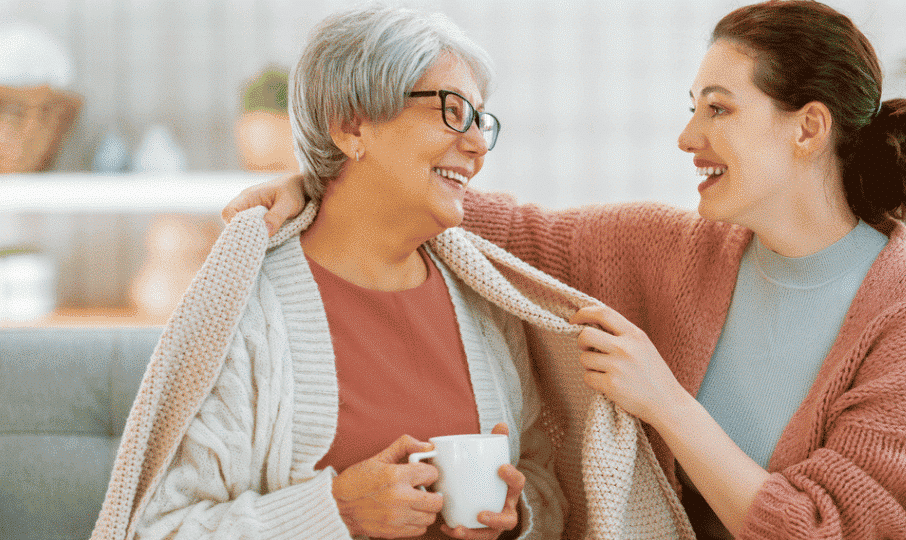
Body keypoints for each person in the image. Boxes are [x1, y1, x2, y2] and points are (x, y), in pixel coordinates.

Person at [224, 1, 906, 538]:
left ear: (808, 128)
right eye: (693, 108)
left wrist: (667, 404)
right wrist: (319, 183)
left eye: (718, 109)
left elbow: (829, 531)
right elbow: (501, 229)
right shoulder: (670, 252)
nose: (688, 136)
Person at [91, 6, 570, 540]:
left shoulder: (487, 304)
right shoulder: (250, 313)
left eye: (482, 121)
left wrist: (518, 513)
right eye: (454, 111)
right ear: (351, 125)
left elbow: (542, 482)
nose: (479, 144)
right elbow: (160, 530)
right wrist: (336, 512)